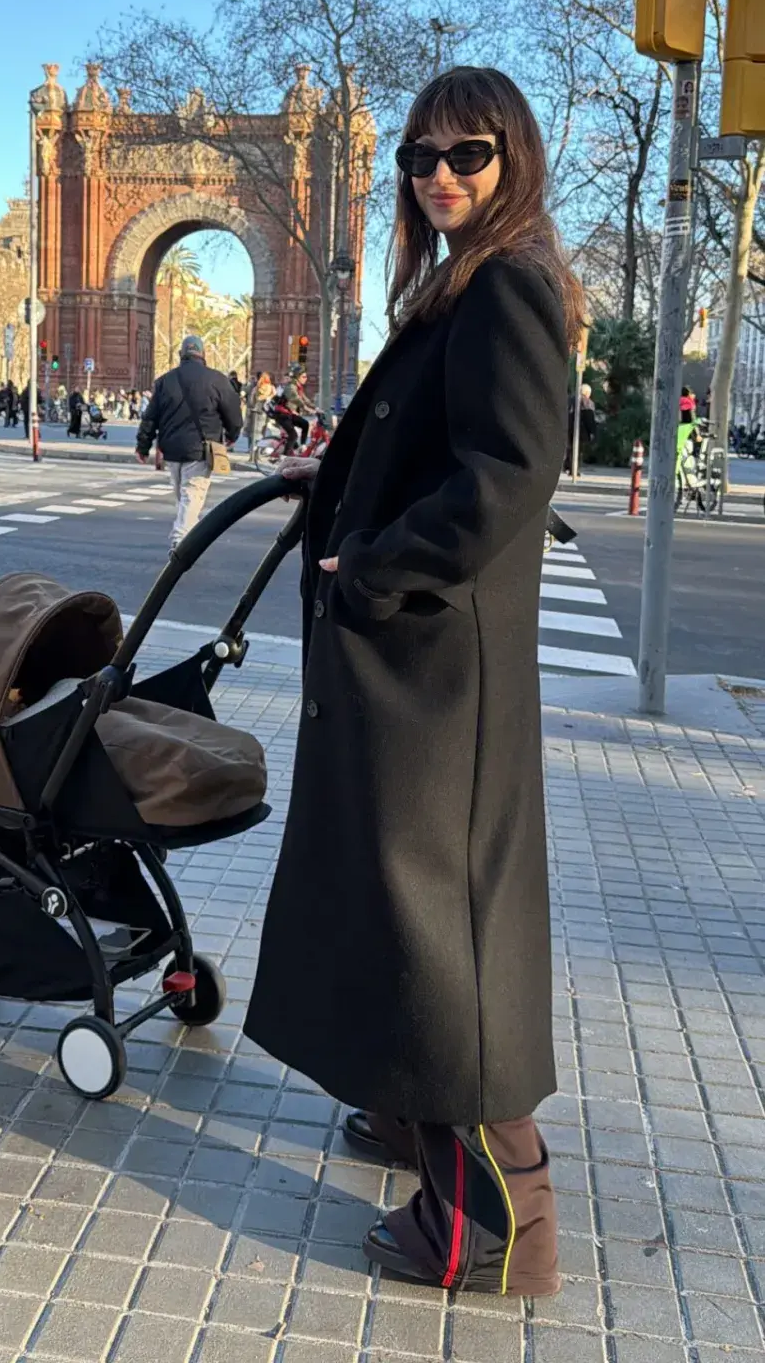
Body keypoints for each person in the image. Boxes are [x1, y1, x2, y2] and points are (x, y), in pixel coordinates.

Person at [245, 65, 584, 1298]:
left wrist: (375, 564)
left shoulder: (507, 285)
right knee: (401, 903)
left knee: (447, 931)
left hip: (440, 669)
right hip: (420, 661)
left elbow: (508, 476)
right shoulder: (463, 279)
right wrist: (338, 484)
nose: (441, 174)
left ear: (514, 159)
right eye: (421, 157)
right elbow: (439, 443)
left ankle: (494, 1227)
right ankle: (407, 1111)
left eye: (469, 153)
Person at [135, 334, 243, 550]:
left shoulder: (164, 381)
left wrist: (143, 446)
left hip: (172, 449)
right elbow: (234, 413)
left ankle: (187, 532)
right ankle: (180, 540)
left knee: (184, 495)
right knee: (191, 494)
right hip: (202, 448)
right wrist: (232, 435)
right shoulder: (218, 380)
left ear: (181, 354)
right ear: (202, 354)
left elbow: (150, 417)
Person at [270, 365, 313, 455]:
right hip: (281, 414)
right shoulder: (291, 387)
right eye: (304, 377)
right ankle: (285, 456)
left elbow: (305, 399)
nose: (306, 378)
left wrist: (316, 408)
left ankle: (303, 446)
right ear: (298, 377)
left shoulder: (299, 387)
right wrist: (305, 407)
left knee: (305, 423)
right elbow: (295, 398)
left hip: (288, 413)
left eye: (306, 376)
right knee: (293, 435)